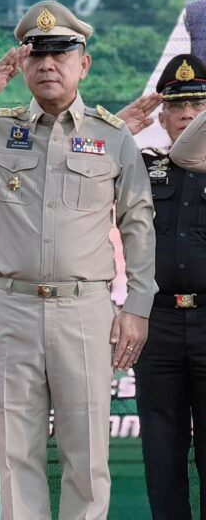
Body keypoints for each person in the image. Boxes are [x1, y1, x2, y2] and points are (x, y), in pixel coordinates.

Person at [0, 0, 156, 520]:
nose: (48, 65)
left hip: (85, 311)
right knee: (16, 455)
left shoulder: (112, 136)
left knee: (87, 458)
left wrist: (137, 306)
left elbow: (138, 222)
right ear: (23, 65)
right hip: (11, 309)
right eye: (36, 54)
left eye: (60, 53)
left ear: (83, 64)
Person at [116, 53, 206, 519]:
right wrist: (118, 129)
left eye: (198, 105)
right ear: (163, 116)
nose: (187, 115)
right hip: (158, 322)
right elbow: (80, 163)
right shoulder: (140, 167)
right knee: (161, 451)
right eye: (177, 106)